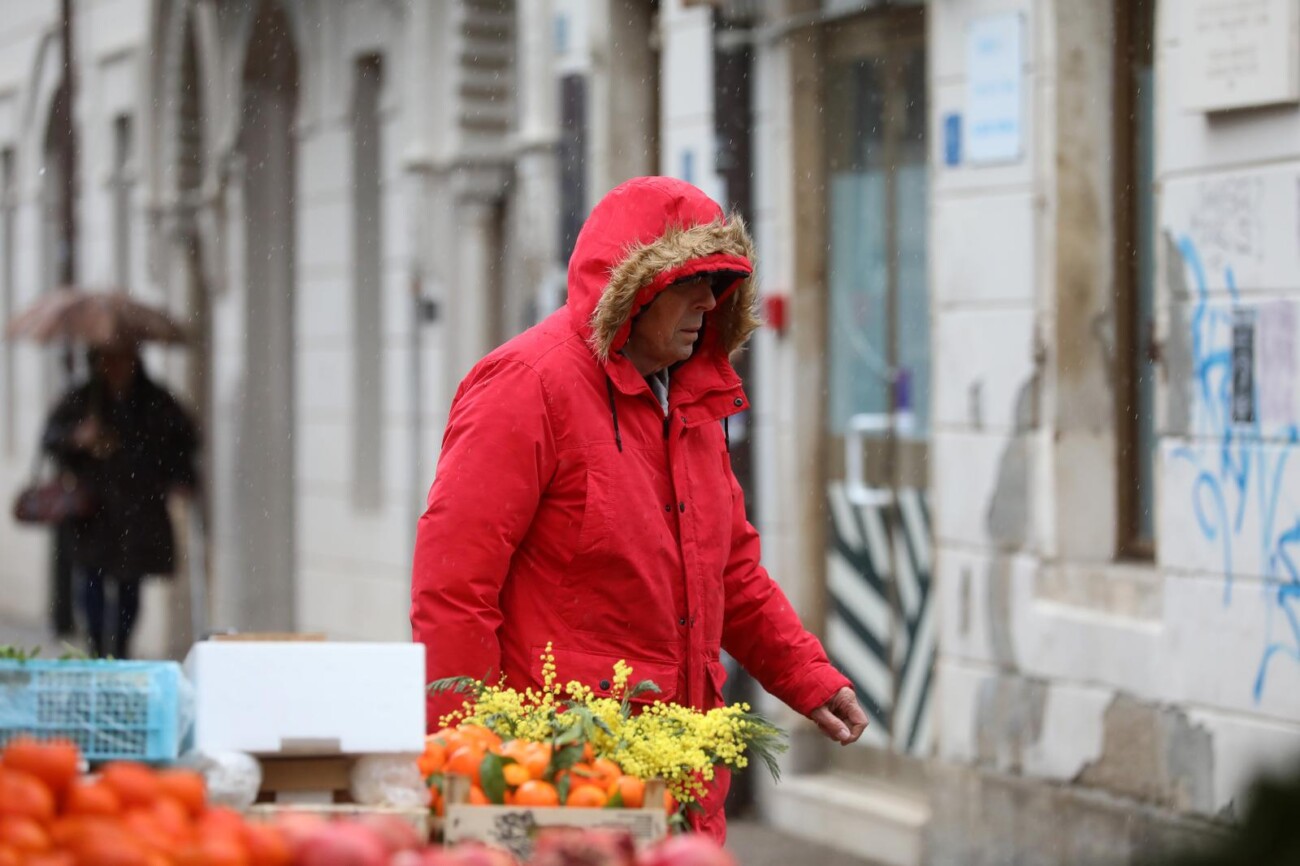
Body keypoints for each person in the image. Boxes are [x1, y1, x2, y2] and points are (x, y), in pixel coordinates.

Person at [411, 176, 868, 839]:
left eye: (718, 286)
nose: (708, 303)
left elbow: (730, 573)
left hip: (679, 776)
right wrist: (466, 768)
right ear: (637, 289)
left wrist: (808, 676)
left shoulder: (692, 401)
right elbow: (454, 588)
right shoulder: (527, 385)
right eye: (691, 283)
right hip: (559, 778)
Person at [41, 342, 199, 659]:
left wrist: (180, 478)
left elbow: (185, 440)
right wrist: (77, 437)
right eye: (107, 359)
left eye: (122, 358)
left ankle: (121, 651)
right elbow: (50, 438)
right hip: (92, 514)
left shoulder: (155, 400)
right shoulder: (83, 399)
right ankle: (99, 649)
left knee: (130, 587)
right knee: (91, 584)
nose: (115, 366)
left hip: (138, 511)